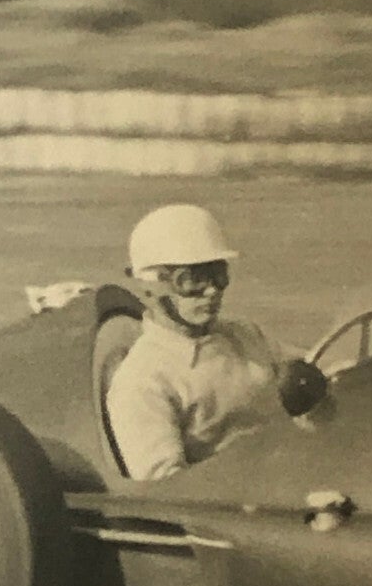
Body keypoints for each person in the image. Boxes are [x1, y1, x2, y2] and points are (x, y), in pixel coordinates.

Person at [106, 203, 295, 482]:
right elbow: (167, 490)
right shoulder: (143, 381)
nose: (211, 291)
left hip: (294, 474)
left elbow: (315, 365)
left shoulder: (244, 334)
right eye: (191, 280)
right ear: (149, 286)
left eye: (218, 275)